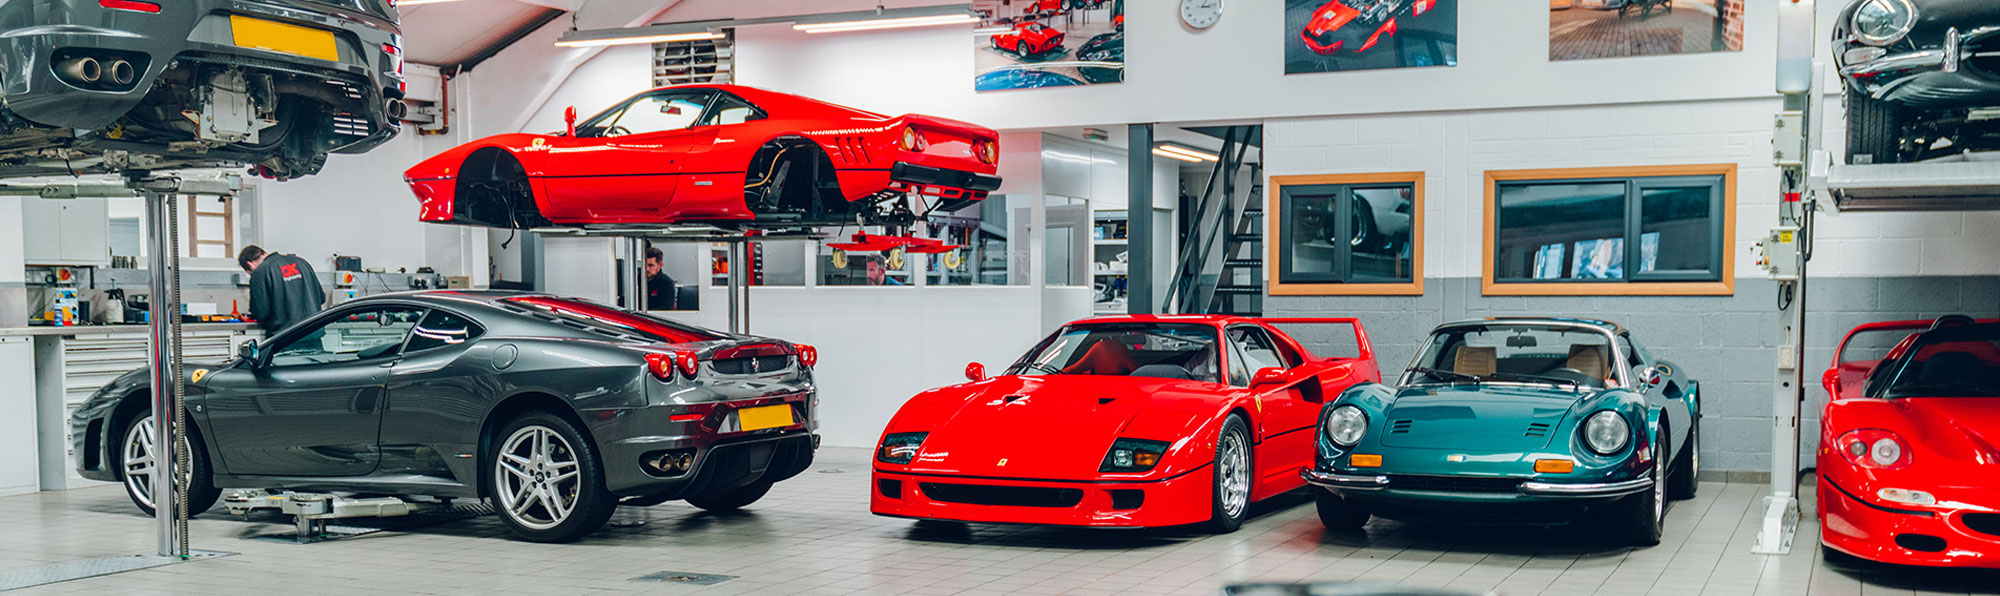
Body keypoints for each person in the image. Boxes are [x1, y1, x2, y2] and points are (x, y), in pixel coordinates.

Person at [238, 245, 326, 332]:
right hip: (314, 333)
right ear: (264, 253)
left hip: (285, 337)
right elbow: (321, 298)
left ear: (249, 265)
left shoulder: (260, 272)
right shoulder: (302, 262)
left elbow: (261, 313)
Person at [644, 245, 678, 311]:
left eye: (651, 265)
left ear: (660, 265)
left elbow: (667, 308)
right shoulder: (635, 280)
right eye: (644, 264)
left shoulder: (667, 283)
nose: (647, 269)